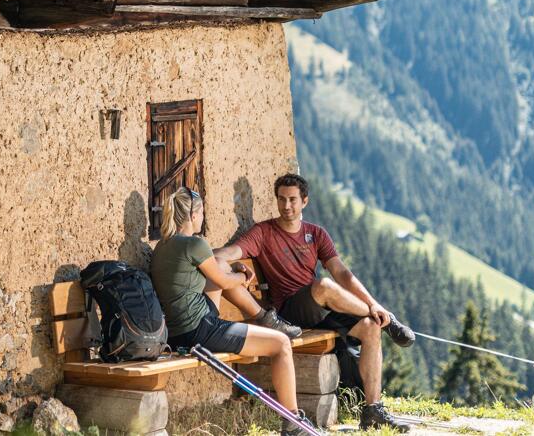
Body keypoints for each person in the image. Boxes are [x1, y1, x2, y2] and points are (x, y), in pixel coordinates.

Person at [216, 174, 415, 433]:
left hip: (319, 308)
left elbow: (342, 273)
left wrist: (370, 303)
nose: (286, 206)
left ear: (305, 201)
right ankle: (388, 319)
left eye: (292, 200)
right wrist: (206, 255)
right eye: (281, 199)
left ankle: (372, 410)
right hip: (289, 312)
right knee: (323, 286)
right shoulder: (263, 232)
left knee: (369, 327)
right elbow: (233, 252)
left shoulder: (316, 234)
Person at [150, 187, 308, 433]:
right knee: (281, 344)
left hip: (174, 333)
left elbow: (216, 273)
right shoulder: (195, 244)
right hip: (200, 330)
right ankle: (293, 422)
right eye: (202, 213)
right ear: (194, 215)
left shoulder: (162, 246)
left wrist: (231, 270)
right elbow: (224, 283)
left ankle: (263, 318)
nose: (203, 218)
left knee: (221, 263)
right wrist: (241, 277)